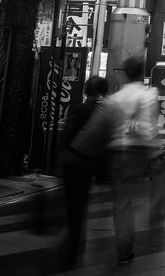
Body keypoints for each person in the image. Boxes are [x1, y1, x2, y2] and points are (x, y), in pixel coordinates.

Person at [103, 57, 159, 265]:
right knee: (140, 199)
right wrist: (154, 154)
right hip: (140, 152)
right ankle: (133, 242)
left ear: (126, 73)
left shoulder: (114, 99)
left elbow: (106, 128)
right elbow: (151, 128)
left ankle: (124, 249)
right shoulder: (149, 96)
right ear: (142, 72)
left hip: (118, 152)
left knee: (122, 202)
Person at [58, 75, 109, 266]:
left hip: (73, 162)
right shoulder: (104, 111)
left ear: (87, 90)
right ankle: (78, 240)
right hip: (91, 164)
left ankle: (72, 245)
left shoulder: (79, 109)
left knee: (73, 205)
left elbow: (67, 135)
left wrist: (61, 155)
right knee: (81, 202)